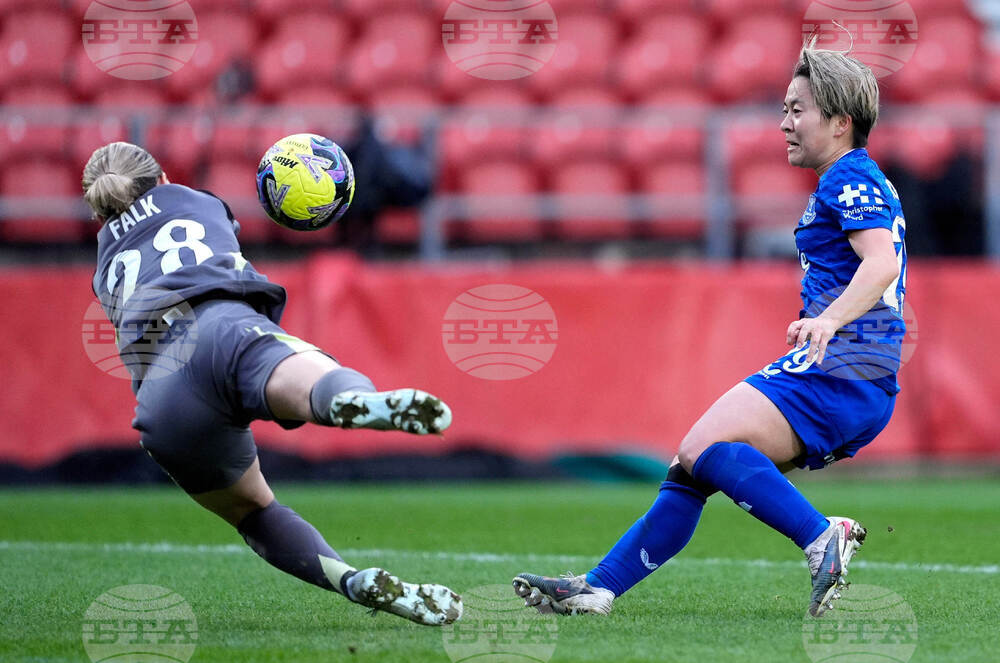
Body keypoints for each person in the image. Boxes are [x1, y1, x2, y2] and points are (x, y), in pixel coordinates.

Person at [512, 42, 907, 618]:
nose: (784, 124)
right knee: (690, 468)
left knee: (702, 448)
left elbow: (882, 263)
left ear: (841, 122)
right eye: (784, 109)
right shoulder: (851, 178)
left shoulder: (849, 178)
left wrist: (828, 319)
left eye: (798, 110)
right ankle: (599, 588)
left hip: (843, 365)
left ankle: (822, 536)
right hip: (859, 372)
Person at [81, 141, 462, 626]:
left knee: (254, 512)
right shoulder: (193, 199)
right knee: (310, 376)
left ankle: (347, 578)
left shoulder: (102, 267)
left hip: (161, 399)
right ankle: (354, 401)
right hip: (221, 330)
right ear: (159, 179)